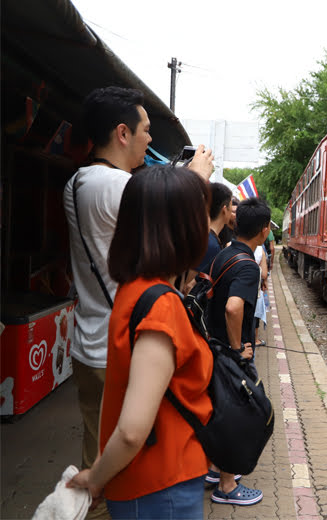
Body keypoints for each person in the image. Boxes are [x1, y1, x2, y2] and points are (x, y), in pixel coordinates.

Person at [63, 87, 213, 477]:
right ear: (123, 134)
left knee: (98, 451)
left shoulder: (78, 183)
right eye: (145, 129)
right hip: (123, 347)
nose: (150, 139)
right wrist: (196, 181)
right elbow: (181, 240)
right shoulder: (117, 187)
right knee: (111, 468)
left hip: (91, 338)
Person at [204, 197, 271, 505]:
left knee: (219, 408)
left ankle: (215, 468)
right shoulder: (248, 266)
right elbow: (234, 308)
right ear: (265, 230)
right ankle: (227, 487)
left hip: (211, 344)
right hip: (228, 351)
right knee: (237, 413)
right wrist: (237, 351)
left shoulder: (224, 252)